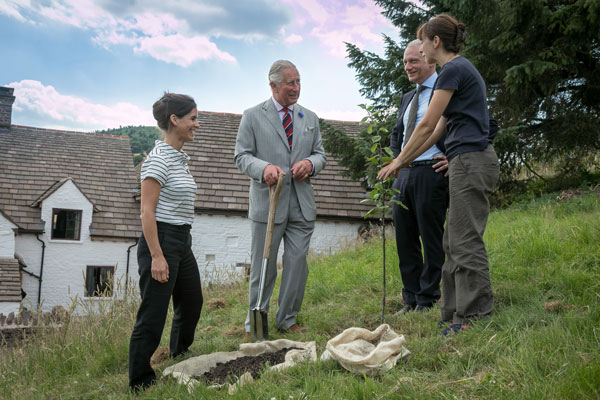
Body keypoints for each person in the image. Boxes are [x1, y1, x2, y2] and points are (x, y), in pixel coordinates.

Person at [378, 14, 500, 336]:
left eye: (422, 41)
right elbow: (436, 132)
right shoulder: (455, 72)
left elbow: (426, 124)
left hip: (472, 161)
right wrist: (403, 162)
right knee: (451, 241)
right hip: (464, 161)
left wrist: (398, 161)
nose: (419, 47)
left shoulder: (454, 70)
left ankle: (473, 315)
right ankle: (451, 312)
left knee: (464, 240)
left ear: (435, 43)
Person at [234, 60, 326, 336]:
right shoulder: (252, 116)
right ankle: (255, 324)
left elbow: (320, 154)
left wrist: (311, 164)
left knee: (297, 264)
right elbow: (241, 156)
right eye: (290, 83)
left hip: (301, 203)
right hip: (268, 204)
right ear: (273, 85)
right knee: (264, 266)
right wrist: (264, 169)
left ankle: (287, 319)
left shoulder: (309, 118)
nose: (296, 88)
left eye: (298, 82)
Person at [129, 93, 203, 391]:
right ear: (175, 120)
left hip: (181, 240)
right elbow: (146, 211)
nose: (197, 124)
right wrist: (157, 256)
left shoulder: (178, 158)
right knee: (154, 313)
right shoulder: (158, 159)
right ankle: (139, 380)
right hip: (160, 240)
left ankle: (179, 354)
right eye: (193, 119)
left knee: (192, 301)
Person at [391, 39, 449, 315]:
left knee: (431, 238)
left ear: (429, 59)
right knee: (405, 240)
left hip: (432, 173)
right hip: (404, 175)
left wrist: (455, 156)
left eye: (413, 60)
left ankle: (428, 298)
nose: (408, 67)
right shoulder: (408, 97)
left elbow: (484, 124)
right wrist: (396, 161)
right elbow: (397, 134)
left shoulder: (446, 88)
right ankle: (410, 298)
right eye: (404, 62)